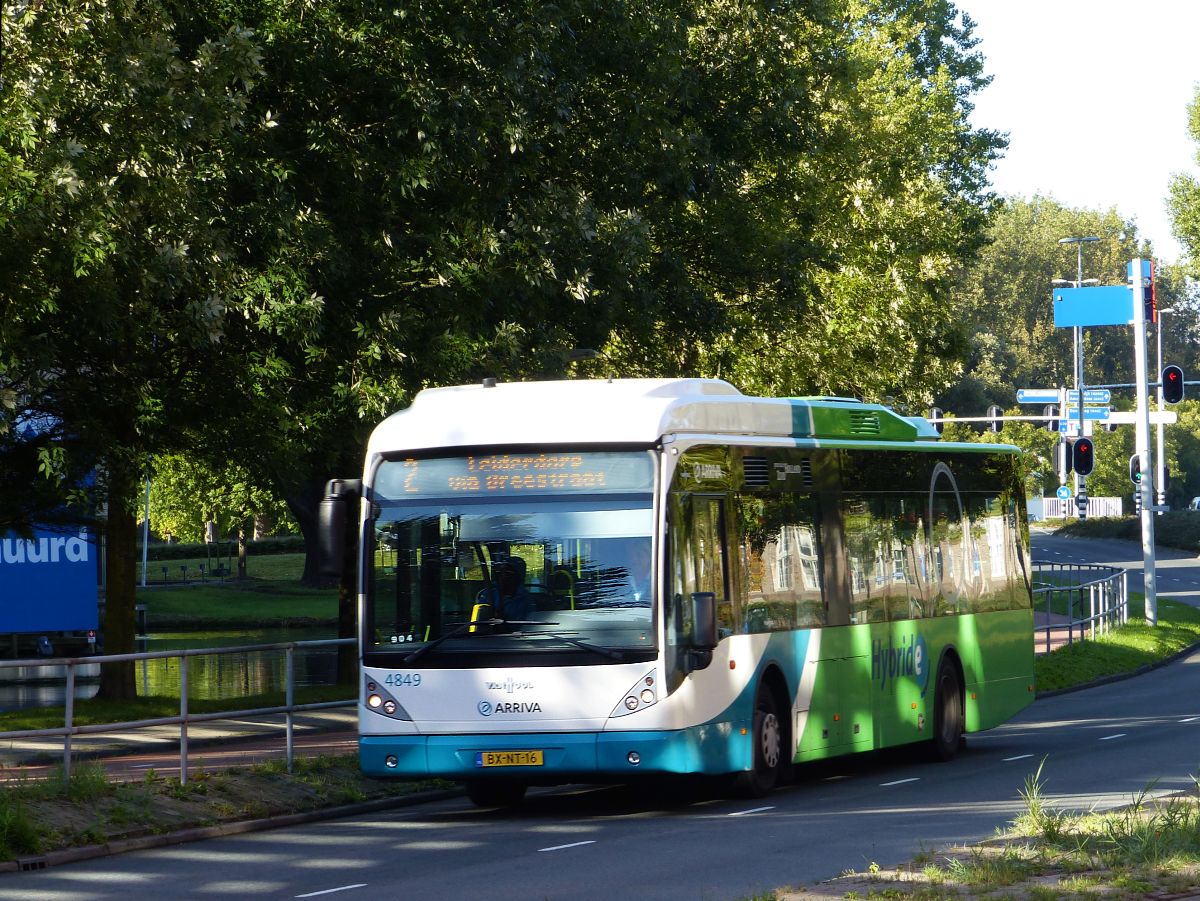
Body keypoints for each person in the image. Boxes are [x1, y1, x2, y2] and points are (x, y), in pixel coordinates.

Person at [478, 556, 536, 624]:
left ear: (519, 576)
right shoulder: (488, 594)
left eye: (508, 573)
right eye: (501, 572)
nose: (503, 576)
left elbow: (529, 625)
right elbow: (479, 620)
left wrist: (506, 622)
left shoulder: (526, 600)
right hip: (488, 634)